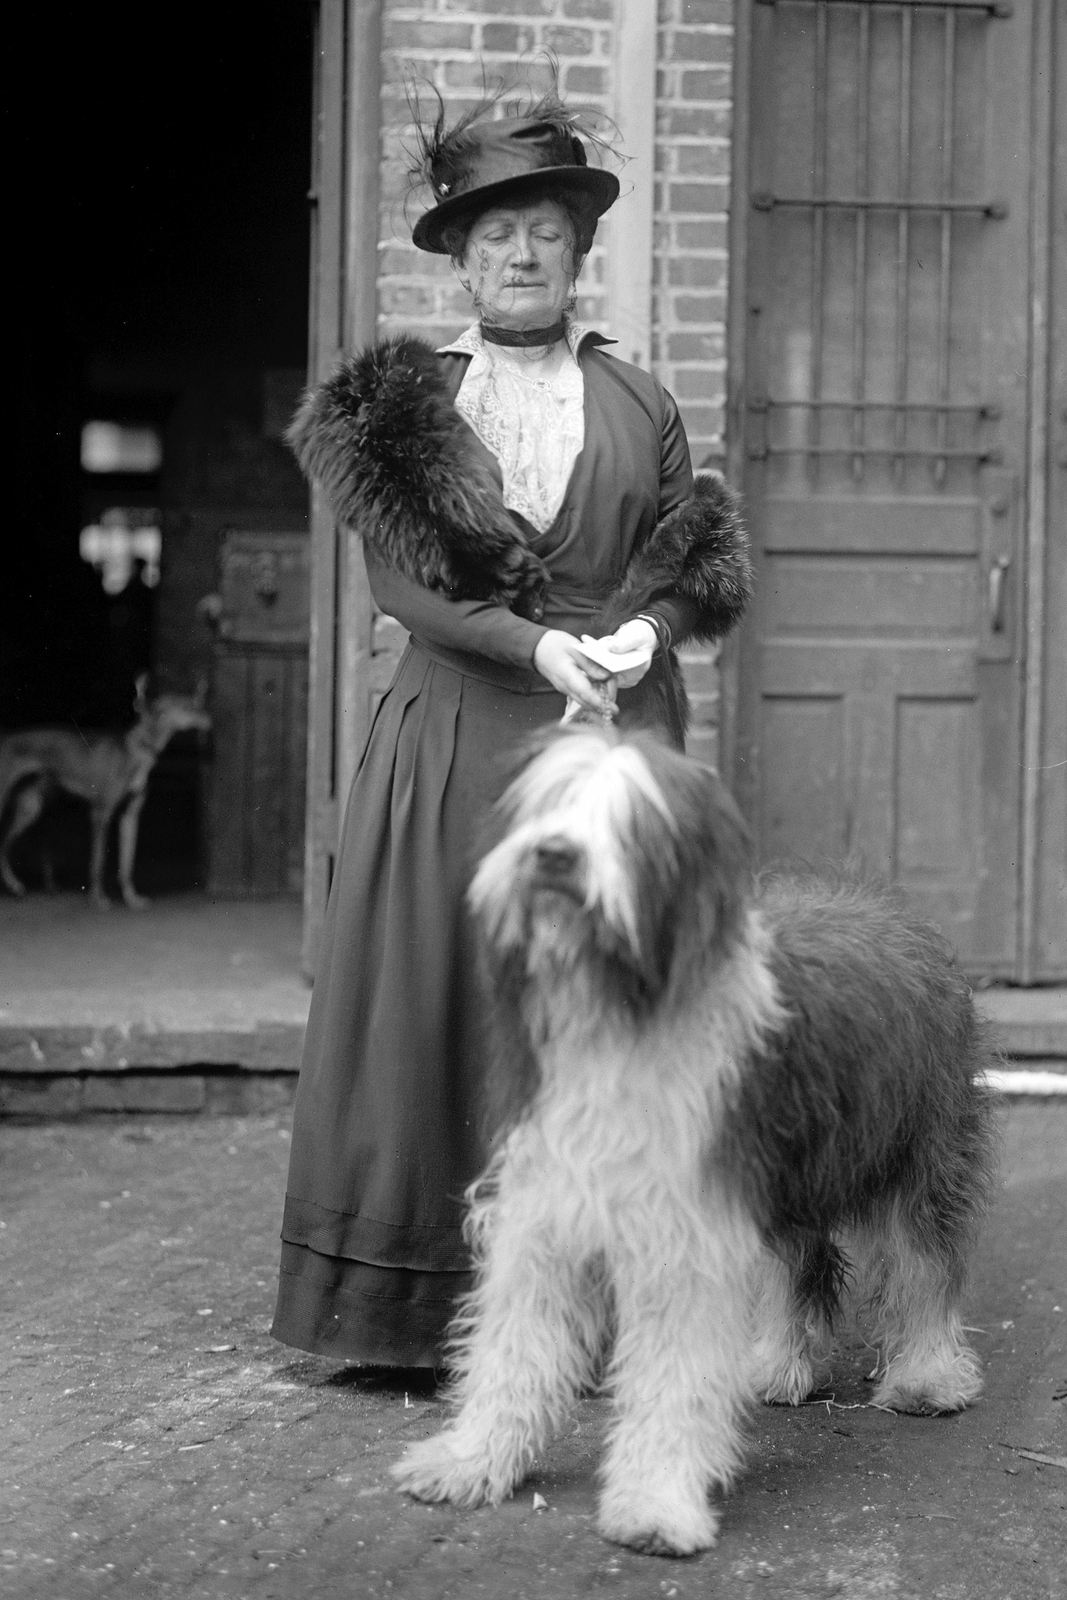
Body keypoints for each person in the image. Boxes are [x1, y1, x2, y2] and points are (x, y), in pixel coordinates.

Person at [272, 91, 753, 1370]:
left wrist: (647, 629)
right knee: (436, 1004)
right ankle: (412, 1314)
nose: (522, 256)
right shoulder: (406, 404)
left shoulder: (638, 398)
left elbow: (684, 558)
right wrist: (535, 643)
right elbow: (406, 590)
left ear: (577, 252)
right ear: (461, 259)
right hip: (453, 739)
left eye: (543, 230)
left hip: (604, 752)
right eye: (495, 237)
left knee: (603, 1018)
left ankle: (595, 1311)